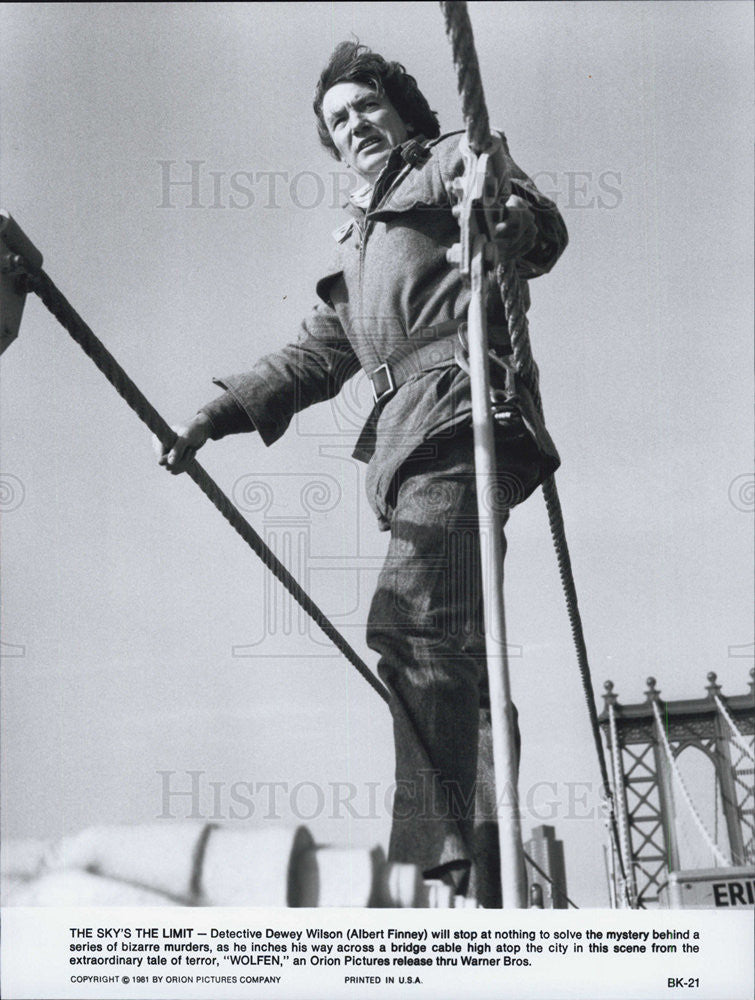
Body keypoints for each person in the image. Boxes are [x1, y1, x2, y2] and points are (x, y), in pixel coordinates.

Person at [155, 41, 567, 907]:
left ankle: (427, 862)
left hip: (463, 415)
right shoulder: (360, 240)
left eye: (366, 106)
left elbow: (535, 225)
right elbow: (318, 353)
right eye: (338, 120)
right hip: (409, 440)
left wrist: (510, 225)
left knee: (410, 621)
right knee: (463, 660)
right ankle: (481, 874)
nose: (354, 125)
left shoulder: (454, 155)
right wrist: (221, 412)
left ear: (401, 110)